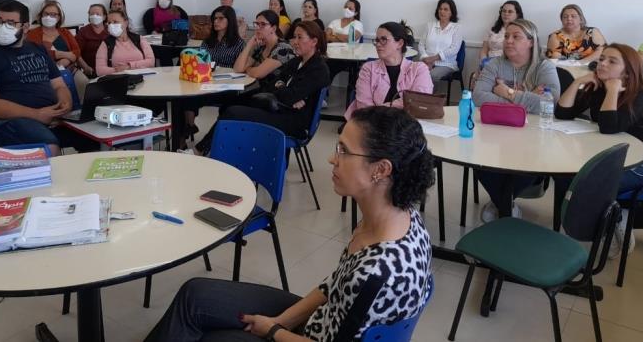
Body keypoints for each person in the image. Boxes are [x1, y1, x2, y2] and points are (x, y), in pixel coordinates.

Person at [146, 106, 434, 342]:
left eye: (344, 151)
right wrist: (281, 321)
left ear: (381, 169)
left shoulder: (378, 271)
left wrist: (273, 331)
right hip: (321, 322)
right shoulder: (399, 216)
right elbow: (334, 287)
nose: (332, 158)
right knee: (195, 294)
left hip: (318, 335)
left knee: (212, 336)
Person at [556, 43, 643, 257]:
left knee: (597, 180)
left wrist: (612, 90)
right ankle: (598, 221)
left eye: (612, 61)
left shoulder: (641, 97)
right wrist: (577, 83)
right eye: (602, 59)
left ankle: (616, 220)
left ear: (628, 72)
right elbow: (562, 113)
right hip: (619, 158)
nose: (602, 64)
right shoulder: (597, 88)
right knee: (568, 175)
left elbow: (609, 128)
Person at [194, 20, 328, 156]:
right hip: (280, 108)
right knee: (230, 103)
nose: (294, 41)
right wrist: (286, 90)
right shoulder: (296, 61)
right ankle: (223, 150)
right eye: (294, 37)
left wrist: (286, 91)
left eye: (300, 37)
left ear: (314, 41)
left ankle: (205, 150)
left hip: (293, 120)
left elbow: (288, 96)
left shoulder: (318, 69)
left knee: (233, 113)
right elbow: (274, 85)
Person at [473, 19, 561, 222]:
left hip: (533, 135)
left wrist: (507, 92)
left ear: (531, 42)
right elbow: (479, 97)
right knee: (479, 160)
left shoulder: (544, 67)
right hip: (495, 131)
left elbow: (549, 104)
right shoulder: (495, 64)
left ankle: (501, 203)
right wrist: (527, 97)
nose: (509, 41)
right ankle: (506, 205)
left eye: (516, 37)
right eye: (506, 36)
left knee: (528, 163)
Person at [0, 0, 74, 156]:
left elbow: (59, 85)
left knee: (91, 137)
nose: (3, 27)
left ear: (25, 27)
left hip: (48, 116)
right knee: (48, 147)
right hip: (5, 122)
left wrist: (65, 105)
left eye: (11, 23)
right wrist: (37, 115)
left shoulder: (38, 49)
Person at [179, 6, 246, 149]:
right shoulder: (207, 41)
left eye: (221, 18)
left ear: (230, 21)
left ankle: (209, 142)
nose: (216, 21)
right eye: (214, 18)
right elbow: (199, 60)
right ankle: (187, 130)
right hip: (206, 83)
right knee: (184, 98)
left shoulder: (239, 44)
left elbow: (240, 69)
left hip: (226, 87)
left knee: (231, 106)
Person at [345, 22, 432, 119]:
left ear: (399, 43)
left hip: (405, 124)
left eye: (383, 40)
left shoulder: (419, 69)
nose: (378, 44)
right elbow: (364, 106)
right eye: (377, 40)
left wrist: (379, 109)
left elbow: (418, 101)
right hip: (370, 123)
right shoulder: (368, 68)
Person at [232, 10, 295, 90]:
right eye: (257, 24)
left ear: (273, 28)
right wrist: (249, 44)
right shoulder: (261, 47)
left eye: (263, 24)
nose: (258, 28)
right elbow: (238, 69)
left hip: (274, 95)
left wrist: (247, 69)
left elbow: (258, 74)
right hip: (259, 91)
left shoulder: (283, 48)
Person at [95, 10, 155, 76]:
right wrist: (116, 70)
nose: (111, 25)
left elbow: (151, 61)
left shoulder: (139, 39)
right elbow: (99, 70)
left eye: (115, 22)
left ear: (126, 23)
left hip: (143, 77)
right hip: (119, 81)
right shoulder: (106, 43)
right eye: (109, 23)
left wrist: (129, 66)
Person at [26, 0, 81, 71]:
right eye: (46, 13)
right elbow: (34, 54)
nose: (48, 17)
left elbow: (76, 51)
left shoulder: (65, 32)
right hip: (44, 73)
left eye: (53, 14)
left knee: (85, 82)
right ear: (41, 15)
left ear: (59, 17)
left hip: (69, 69)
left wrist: (67, 61)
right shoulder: (32, 34)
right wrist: (62, 54)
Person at [418, 0, 463, 84]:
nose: (442, 11)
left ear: (451, 12)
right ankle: (412, 96)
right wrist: (425, 58)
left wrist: (433, 59)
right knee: (415, 72)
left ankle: (428, 97)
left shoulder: (457, 28)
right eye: (440, 9)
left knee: (431, 76)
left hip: (446, 64)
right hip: (426, 61)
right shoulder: (429, 26)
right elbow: (421, 45)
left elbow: (454, 49)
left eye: (446, 9)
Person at [478, 0, 524, 68]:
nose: (506, 14)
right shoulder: (492, 29)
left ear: (517, 14)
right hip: (490, 63)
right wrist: (484, 62)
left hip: (509, 65)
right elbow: (484, 50)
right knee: (475, 76)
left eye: (510, 11)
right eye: (504, 11)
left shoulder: (522, 31)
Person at [75, 3, 108, 78]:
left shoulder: (110, 30)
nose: (94, 16)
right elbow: (76, 52)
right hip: (91, 71)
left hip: (110, 68)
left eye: (98, 14)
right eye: (92, 14)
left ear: (104, 17)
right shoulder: (83, 31)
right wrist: (85, 67)